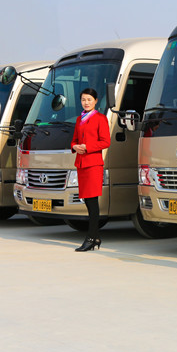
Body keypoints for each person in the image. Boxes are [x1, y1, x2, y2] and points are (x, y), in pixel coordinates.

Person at [71, 88, 111, 251]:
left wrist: (87, 147)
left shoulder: (100, 118)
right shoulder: (79, 119)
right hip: (81, 164)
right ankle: (95, 237)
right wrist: (75, 147)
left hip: (93, 164)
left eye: (89, 99)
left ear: (95, 101)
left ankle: (91, 238)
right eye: (83, 100)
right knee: (87, 201)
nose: (86, 102)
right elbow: (74, 140)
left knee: (92, 202)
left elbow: (106, 141)